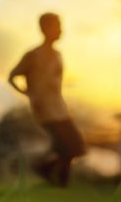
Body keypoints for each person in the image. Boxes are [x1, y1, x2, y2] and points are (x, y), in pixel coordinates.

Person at [8, 12, 86, 187]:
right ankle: (47, 172)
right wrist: (29, 94)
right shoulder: (33, 55)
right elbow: (12, 76)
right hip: (45, 110)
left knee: (76, 147)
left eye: (61, 26)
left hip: (60, 107)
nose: (60, 30)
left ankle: (51, 173)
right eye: (56, 26)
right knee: (66, 147)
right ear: (45, 29)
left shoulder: (58, 55)